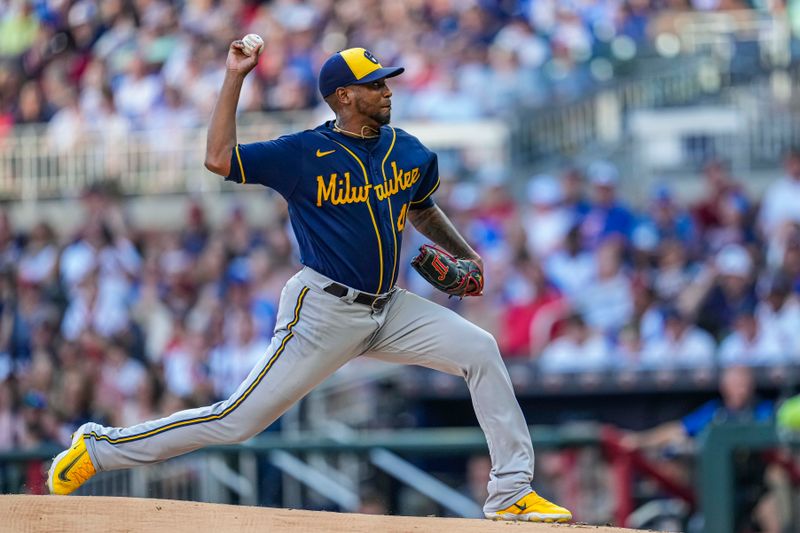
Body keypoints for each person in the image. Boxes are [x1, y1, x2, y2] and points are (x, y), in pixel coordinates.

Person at [46, 43, 571, 523]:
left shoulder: (405, 148)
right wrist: (234, 77)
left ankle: (510, 491)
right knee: (237, 421)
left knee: (480, 350)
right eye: (375, 84)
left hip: (389, 309)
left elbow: (423, 207)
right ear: (344, 96)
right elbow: (218, 159)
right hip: (323, 310)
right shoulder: (302, 153)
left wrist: (467, 255)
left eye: (386, 82)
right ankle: (99, 448)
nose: (387, 90)